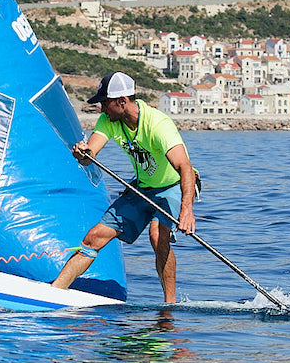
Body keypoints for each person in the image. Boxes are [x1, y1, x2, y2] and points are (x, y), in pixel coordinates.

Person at [52, 71, 195, 303]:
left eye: (104, 103)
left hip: (173, 186)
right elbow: (91, 154)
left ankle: (170, 306)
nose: (101, 109)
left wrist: (186, 209)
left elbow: (185, 167)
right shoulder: (109, 120)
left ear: (122, 101)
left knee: (158, 236)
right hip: (142, 188)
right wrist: (83, 153)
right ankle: (54, 292)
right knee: (94, 237)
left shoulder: (158, 124)